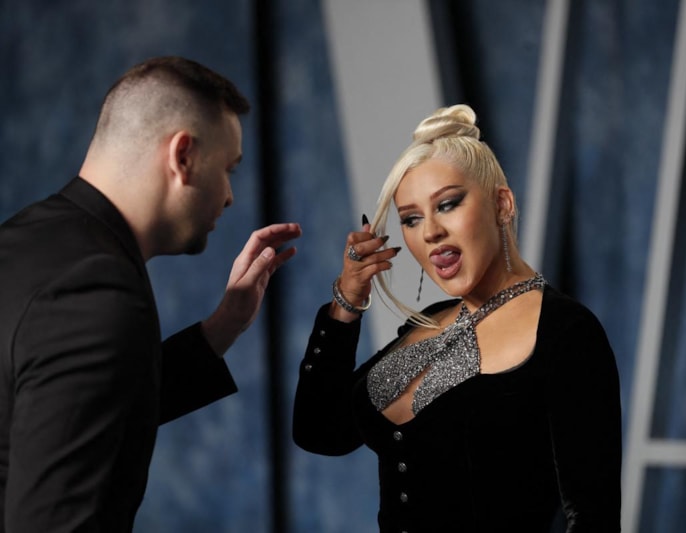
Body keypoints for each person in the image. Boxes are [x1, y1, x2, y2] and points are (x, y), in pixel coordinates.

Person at [0, 56, 302, 532]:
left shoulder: (25, 241)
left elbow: (77, 413)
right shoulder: (96, 291)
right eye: (228, 169)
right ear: (183, 157)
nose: (229, 196)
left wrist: (223, 325)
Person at [293, 104, 621, 532]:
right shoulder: (428, 322)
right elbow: (320, 431)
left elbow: (594, 519)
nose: (430, 231)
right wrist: (347, 302)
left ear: (502, 204)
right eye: (411, 219)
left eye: (447, 204)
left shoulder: (566, 331)